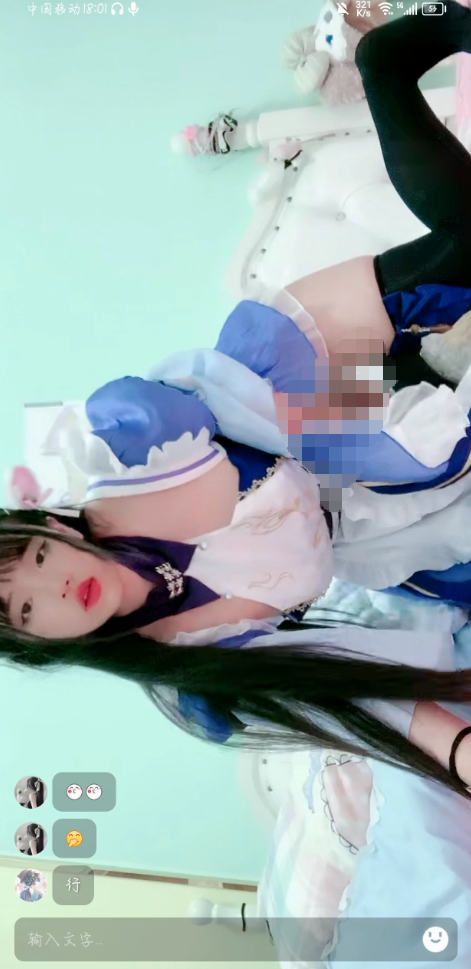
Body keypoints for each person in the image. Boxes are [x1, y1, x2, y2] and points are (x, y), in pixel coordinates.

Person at [4, 5, 471, 800]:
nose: (56, 588)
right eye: (23, 609)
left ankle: (386, 64)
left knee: (465, 245)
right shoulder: (197, 674)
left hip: (299, 381)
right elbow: (356, 698)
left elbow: (224, 404)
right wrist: (458, 754)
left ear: (51, 528)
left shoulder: (126, 454)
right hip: (374, 511)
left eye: (39, 559)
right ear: (38, 645)